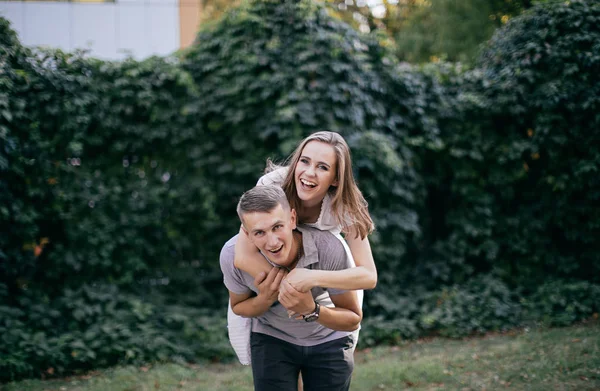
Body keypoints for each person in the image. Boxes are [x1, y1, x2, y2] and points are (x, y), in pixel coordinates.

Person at [228, 131, 377, 366]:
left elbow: (368, 276)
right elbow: (243, 255)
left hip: (325, 264)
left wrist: (310, 278)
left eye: (322, 167)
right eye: (304, 161)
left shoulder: (345, 205)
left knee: (331, 338)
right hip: (274, 263)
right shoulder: (273, 184)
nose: (309, 173)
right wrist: (287, 288)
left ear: (336, 179)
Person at [220, 185, 362, 391]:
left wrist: (311, 310)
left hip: (329, 336)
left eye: (277, 227)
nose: (272, 242)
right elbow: (239, 306)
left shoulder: (329, 248)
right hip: (272, 337)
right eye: (259, 232)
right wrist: (266, 298)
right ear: (247, 235)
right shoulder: (231, 255)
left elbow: (352, 319)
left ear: (292, 219)